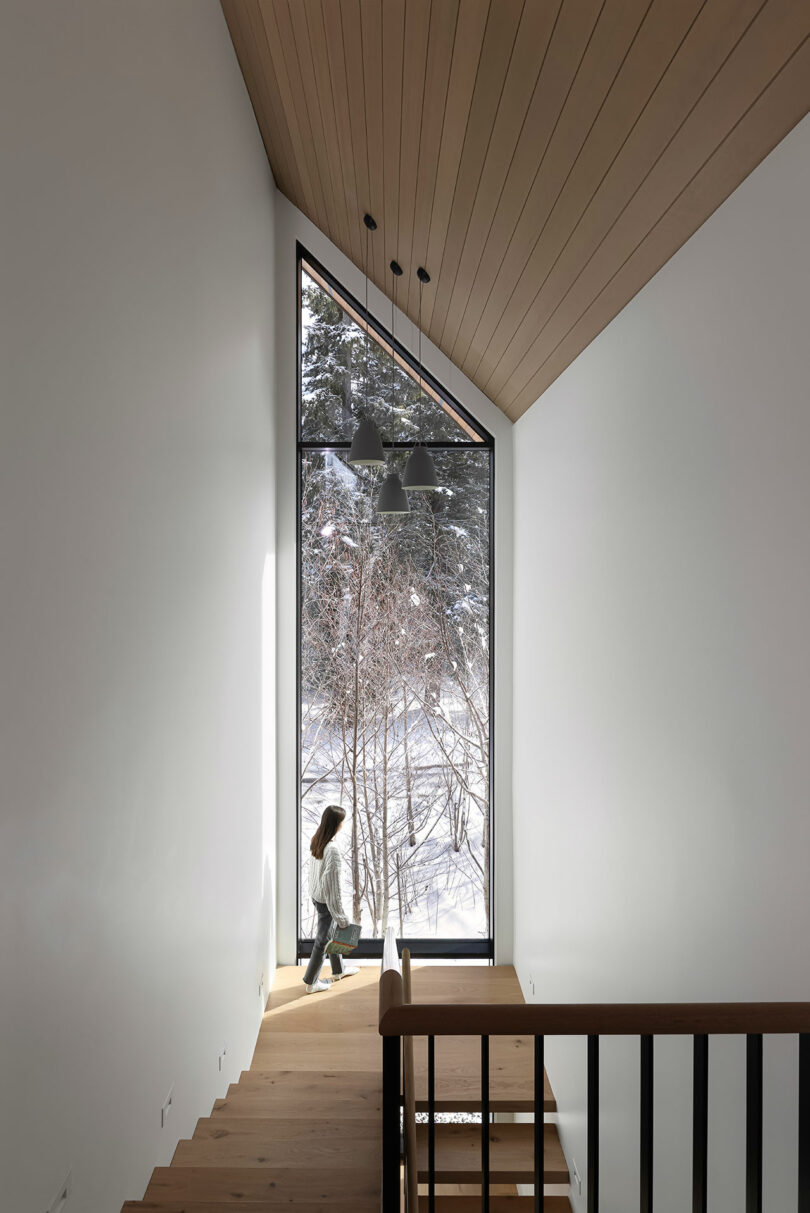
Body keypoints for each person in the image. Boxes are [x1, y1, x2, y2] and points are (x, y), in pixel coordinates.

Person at [303, 805, 360, 994]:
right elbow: (332, 890)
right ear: (337, 824)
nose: (343, 824)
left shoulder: (318, 840)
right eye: (342, 821)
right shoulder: (332, 850)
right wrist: (342, 917)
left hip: (316, 896)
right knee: (322, 941)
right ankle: (311, 982)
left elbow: (316, 876)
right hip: (325, 901)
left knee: (331, 936)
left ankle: (338, 971)